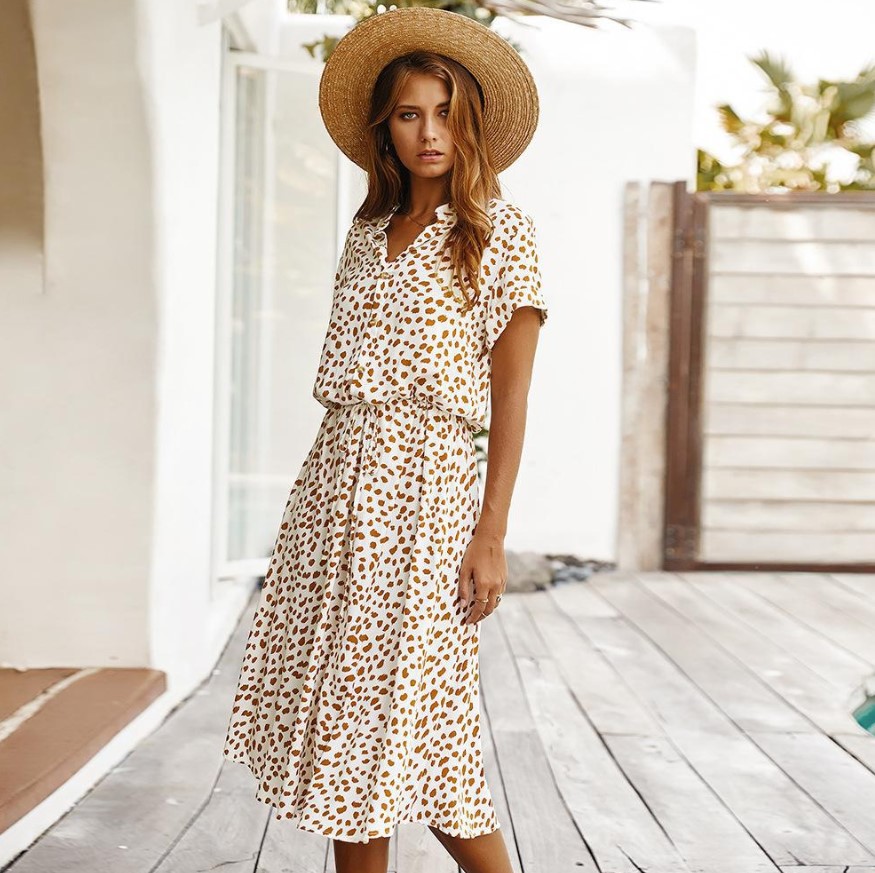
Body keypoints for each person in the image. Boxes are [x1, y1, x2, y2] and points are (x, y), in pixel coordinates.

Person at [222, 7, 549, 873]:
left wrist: (489, 532)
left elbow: (512, 400)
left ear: (471, 123)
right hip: (332, 496)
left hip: (425, 499)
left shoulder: (499, 233)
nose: (428, 133)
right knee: (346, 730)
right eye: (409, 114)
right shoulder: (366, 233)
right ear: (385, 128)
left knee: (421, 736)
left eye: (445, 113)